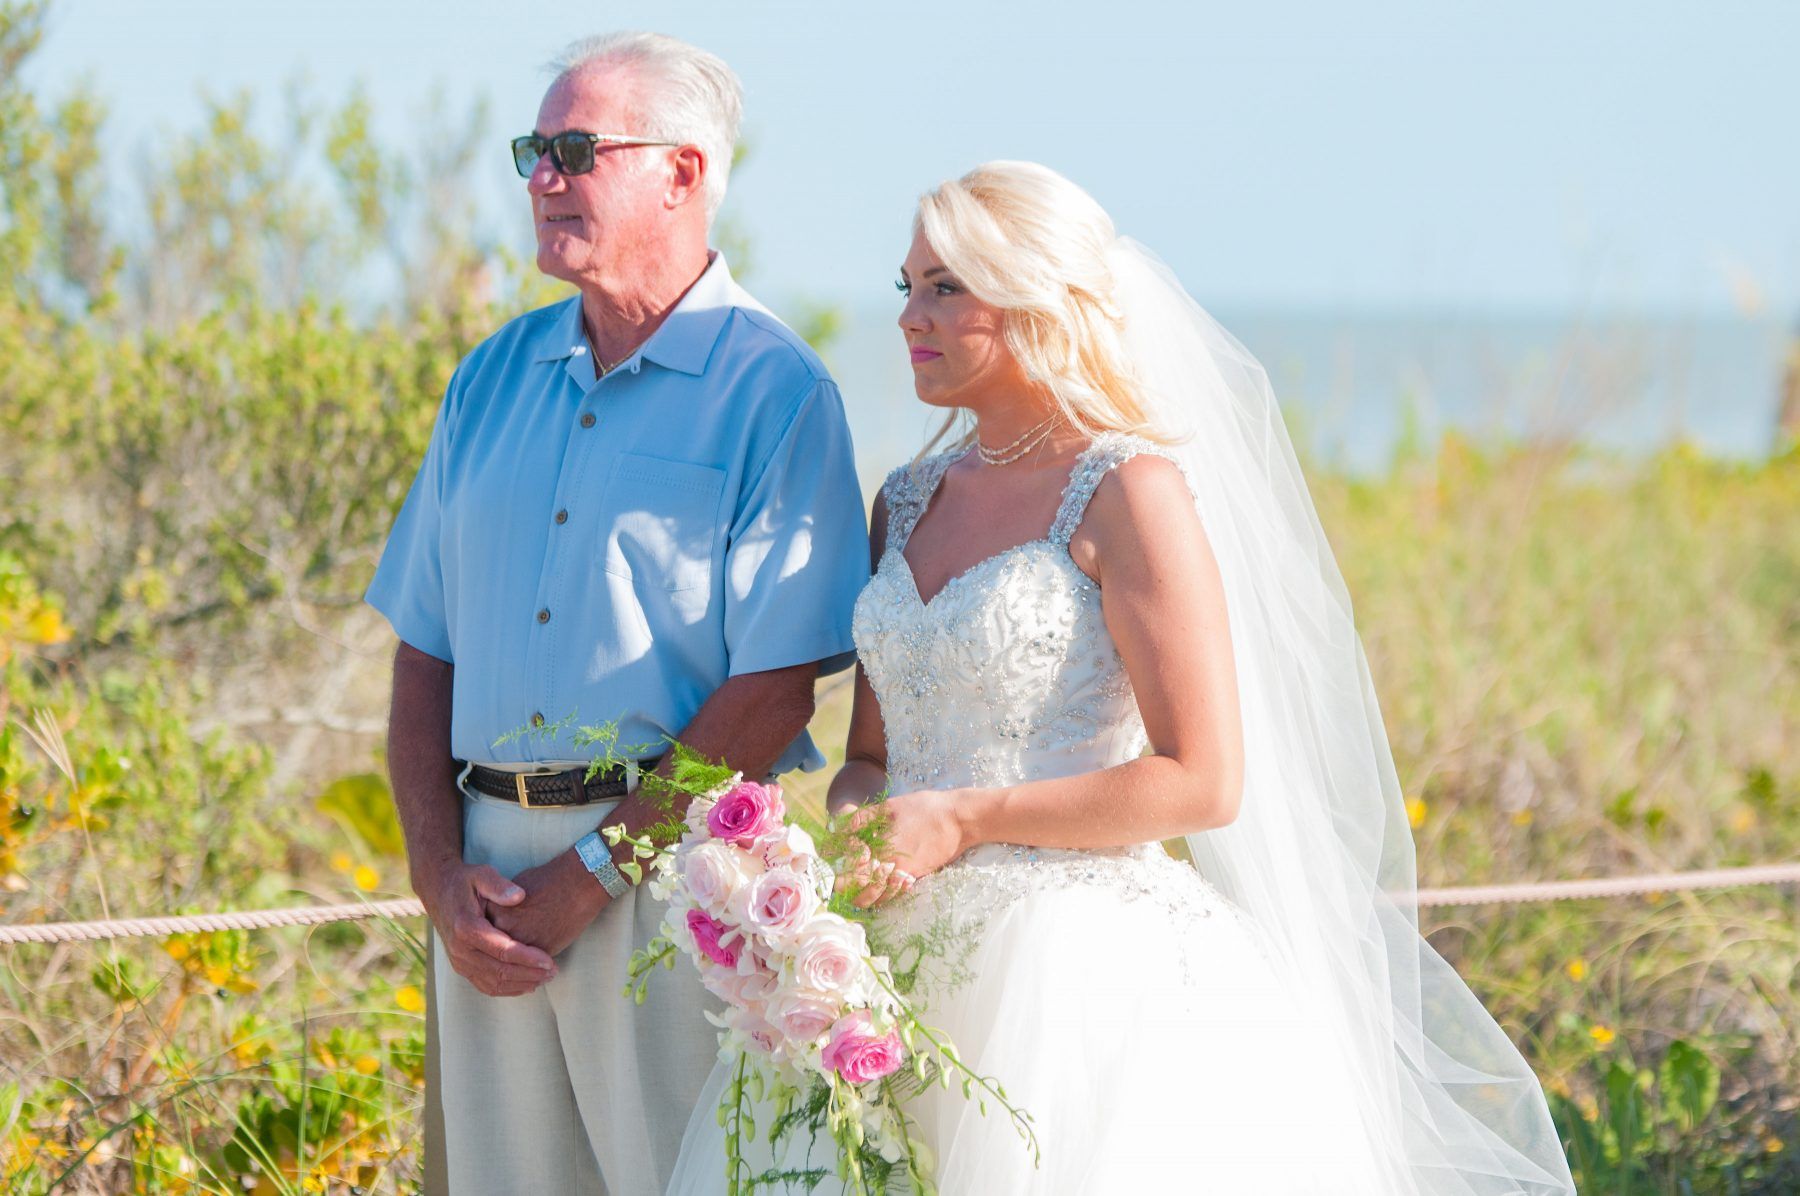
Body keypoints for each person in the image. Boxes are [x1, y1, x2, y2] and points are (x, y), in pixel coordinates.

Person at [669, 162, 1576, 1193]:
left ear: (1037, 299)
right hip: (888, 961)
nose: (910, 316)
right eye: (907, 286)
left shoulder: (1129, 492)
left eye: (945, 288)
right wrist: (863, 820)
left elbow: (1201, 778)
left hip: (1077, 971)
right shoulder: (907, 498)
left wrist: (963, 818)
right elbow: (871, 756)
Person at [364, 32, 868, 1194]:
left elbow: (777, 686)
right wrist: (440, 877)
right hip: (486, 901)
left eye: (575, 148)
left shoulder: (777, 391)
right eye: (535, 150)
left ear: (682, 172)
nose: (542, 176)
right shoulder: (487, 378)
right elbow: (422, 650)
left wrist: (594, 873)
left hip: (676, 886)